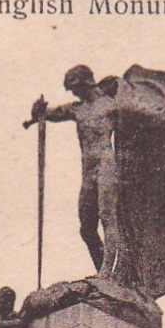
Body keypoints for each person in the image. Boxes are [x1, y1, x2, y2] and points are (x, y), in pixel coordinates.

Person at [30, 66, 123, 278]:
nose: (74, 94)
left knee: (108, 217)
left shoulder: (112, 106)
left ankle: (107, 273)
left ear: (85, 83)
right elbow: (47, 114)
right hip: (88, 171)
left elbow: (149, 120)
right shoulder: (77, 109)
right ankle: (104, 271)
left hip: (106, 164)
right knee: (87, 228)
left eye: (75, 88)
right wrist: (38, 110)